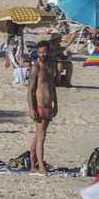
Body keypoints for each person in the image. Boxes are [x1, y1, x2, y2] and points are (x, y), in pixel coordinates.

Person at [28, 41, 58, 175]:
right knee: (41, 135)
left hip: (49, 107)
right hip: (39, 106)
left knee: (38, 135)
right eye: (40, 52)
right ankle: (40, 167)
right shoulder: (36, 68)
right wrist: (31, 108)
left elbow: (53, 87)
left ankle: (32, 163)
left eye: (44, 51)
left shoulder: (51, 67)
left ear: (48, 51)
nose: (42, 54)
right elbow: (30, 90)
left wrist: (56, 105)